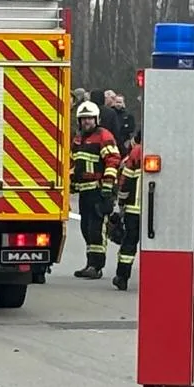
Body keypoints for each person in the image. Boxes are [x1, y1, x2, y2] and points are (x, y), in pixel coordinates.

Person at [70, 100, 119, 278]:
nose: (86, 122)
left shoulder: (104, 136)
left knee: (97, 230)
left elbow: (112, 161)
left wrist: (107, 187)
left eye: (89, 119)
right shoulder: (78, 138)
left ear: (96, 119)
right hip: (84, 192)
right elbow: (75, 163)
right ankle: (90, 263)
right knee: (86, 228)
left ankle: (96, 267)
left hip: (99, 192)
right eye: (83, 119)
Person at [113, 131, 144, 291]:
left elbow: (126, 180)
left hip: (134, 209)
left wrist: (121, 202)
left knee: (129, 244)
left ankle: (122, 277)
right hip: (158, 212)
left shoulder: (137, 151)